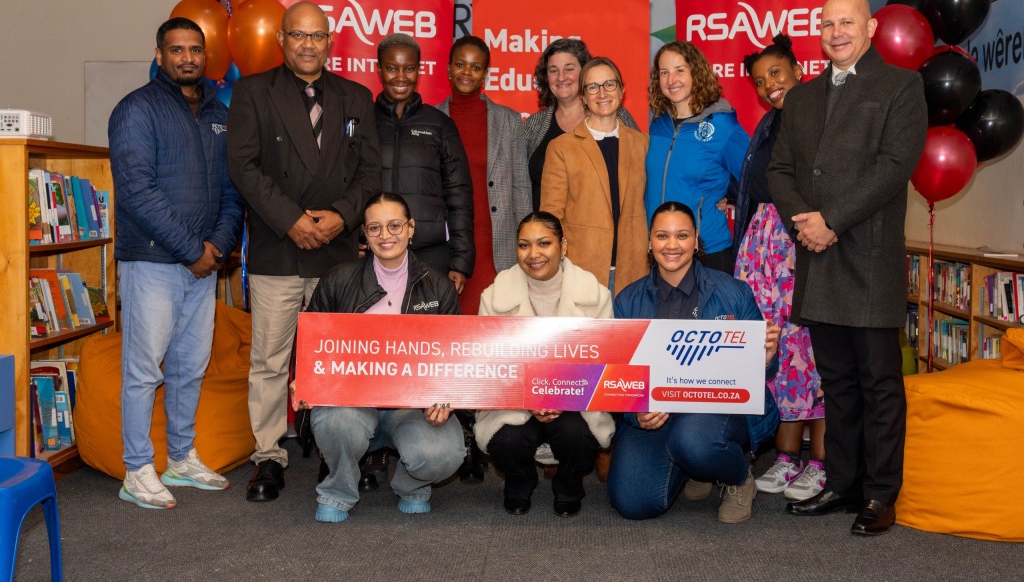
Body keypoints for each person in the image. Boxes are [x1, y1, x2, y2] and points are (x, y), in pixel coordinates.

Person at [767, 0, 927, 536]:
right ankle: (843, 482)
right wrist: (806, 222)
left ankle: (882, 495)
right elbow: (780, 172)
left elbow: (893, 167)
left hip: (868, 257)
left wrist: (831, 219)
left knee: (879, 383)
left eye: (847, 22)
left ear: (871, 27)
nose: (836, 32)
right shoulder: (803, 98)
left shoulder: (901, 86)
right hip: (818, 257)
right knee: (835, 383)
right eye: (827, 23)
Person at [228, 1, 381, 502]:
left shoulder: (357, 96)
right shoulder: (253, 93)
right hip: (279, 248)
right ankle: (269, 457)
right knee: (271, 361)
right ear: (281, 39)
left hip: (337, 251)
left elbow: (370, 174)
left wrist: (340, 214)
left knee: (337, 359)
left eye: (317, 36)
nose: (308, 44)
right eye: (298, 35)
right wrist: (291, 219)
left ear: (330, 40)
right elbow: (244, 166)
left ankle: (337, 453)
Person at [109, 17, 244, 509]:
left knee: (191, 367)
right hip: (153, 264)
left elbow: (233, 190)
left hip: (203, 267)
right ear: (160, 54)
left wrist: (218, 248)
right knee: (145, 372)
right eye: (177, 49)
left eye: (195, 50)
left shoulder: (219, 112)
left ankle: (181, 458)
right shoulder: (135, 109)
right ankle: (137, 468)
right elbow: (138, 192)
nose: (187, 57)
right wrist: (193, 251)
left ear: (205, 56)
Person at [608, 201, 781, 524]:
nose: (671, 245)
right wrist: (635, 413)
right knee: (632, 502)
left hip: (719, 411)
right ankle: (696, 468)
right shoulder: (628, 301)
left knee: (693, 439)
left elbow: (759, 371)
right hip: (657, 415)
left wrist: (767, 359)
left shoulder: (734, 292)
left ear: (696, 239)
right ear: (649, 241)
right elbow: (618, 377)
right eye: (662, 236)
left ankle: (738, 477)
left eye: (682, 235)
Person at [304, 192, 465, 522]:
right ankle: (338, 491)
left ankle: (411, 485)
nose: (385, 235)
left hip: (410, 409)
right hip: (351, 403)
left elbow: (454, 358)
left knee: (445, 453)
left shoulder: (439, 287)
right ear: (364, 232)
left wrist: (447, 398)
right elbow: (312, 346)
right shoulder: (338, 279)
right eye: (374, 228)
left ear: (411, 228)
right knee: (336, 423)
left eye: (394, 225)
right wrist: (304, 381)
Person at [475, 211, 615, 517]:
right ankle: (519, 481)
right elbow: (488, 367)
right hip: (512, 402)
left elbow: (605, 364)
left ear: (563, 246)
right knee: (508, 438)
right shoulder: (494, 297)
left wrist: (563, 396)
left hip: (576, 403)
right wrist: (529, 400)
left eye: (544, 243)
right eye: (524, 245)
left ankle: (569, 485)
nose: (533, 254)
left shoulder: (596, 296)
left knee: (576, 434)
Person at [735, 34, 826, 501]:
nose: (768, 84)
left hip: (800, 245)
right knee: (776, 350)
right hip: (764, 246)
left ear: (796, 68)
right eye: (758, 80)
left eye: (775, 72)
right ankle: (787, 458)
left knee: (808, 353)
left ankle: (820, 463)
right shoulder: (769, 123)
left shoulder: (819, 115)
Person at [436, 35, 532, 315]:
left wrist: (526, 246)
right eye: (460, 65)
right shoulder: (430, 118)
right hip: (448, 248)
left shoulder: (509, 120)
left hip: (497, 247)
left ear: (485, 74)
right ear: (448, 69)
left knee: (497, 333)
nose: (467, 72)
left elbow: (521, 191)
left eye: (476, 67)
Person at [375, 33, 474, 296]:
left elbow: (459, 196)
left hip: (431, 253)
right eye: (391, 68)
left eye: (408, 69)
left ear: (418, 71)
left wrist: (460, 261)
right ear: (379, 69)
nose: (400, 77)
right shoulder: (363, 120)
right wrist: (354, 241)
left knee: (426, 336)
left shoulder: (439, 124)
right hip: (376, 251)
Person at [540, 57, 648, 297]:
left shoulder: (643, 144)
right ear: (583, 97)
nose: (602, 93)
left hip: (634, 273)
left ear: (622, 89)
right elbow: (551, 216)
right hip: (582, 273)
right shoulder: (562, 148)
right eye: (592, 87)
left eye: (609, 84)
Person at [645, 41, 750, 273]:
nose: (671, 80)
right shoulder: (656, 124)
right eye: (664, 72)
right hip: (660, 251)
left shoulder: (723, 125)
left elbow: (758, 177)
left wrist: (728, 195)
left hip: (707, 252)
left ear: (696, 72)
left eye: (679, 70)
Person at [523, 38, 638, 210]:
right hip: (546, 231)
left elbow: (637, 176)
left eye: (569, 69)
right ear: (546, 77)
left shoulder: (617, 116)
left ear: (585, 73)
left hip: (600, 232)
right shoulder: (534, 125)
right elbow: (521, 185)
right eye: (553, 70)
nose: (561, 77)